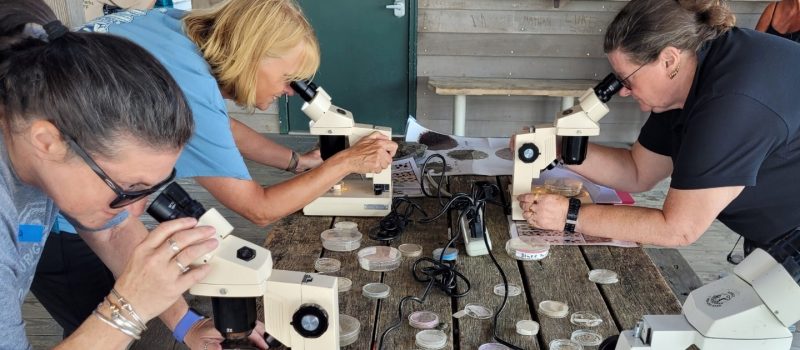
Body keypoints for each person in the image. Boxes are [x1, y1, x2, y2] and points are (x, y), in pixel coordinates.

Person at [31, 0, 397, 345]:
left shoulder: (176, 30)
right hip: (58, 227)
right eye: (288, 78)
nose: (289, 92)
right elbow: (258, 208)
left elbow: (214, 124)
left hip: (91, 204)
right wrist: (347, 162)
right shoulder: (185, 82)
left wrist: (296, 162)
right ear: (252, 54)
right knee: (115, 334)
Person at [0, 0, 220, 348]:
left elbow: (112, 233)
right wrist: (129, 307)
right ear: (48, 142)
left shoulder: (33, 119)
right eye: (128, 189)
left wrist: (187, 325)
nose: (136, 212)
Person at [517, 0, 800, 253]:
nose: (624, 91)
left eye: (627, 79)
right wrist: (554, 147)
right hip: (773, 234)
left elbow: (678, 228)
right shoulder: (687, 79)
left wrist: (570, 216)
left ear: (668, 60)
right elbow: (637, 171)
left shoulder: (731, 103)